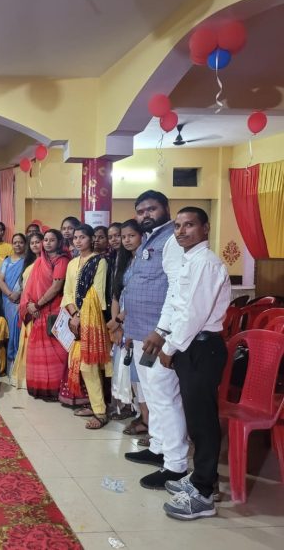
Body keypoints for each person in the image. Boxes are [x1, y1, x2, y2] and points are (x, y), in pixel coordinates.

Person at [158, 207, 230, 520]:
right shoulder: (190, 260)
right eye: (177, 226)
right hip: (191, 345)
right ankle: (204, 477)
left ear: (205, 228)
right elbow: (179, 307)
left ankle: (203, 495)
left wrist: (169, 346)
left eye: (189, 225)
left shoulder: (206, 263)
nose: (181, 231)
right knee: (196, 417)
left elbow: (193, 314)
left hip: (201, 346)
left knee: (202, 421)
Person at [122, 190, 187, 491]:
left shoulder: (171, 240)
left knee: (165, 397)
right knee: (151, 392)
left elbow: (176, 290)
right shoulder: (149, 239)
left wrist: (161, 331)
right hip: (139, 332)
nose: (145, 215)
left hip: (157, 336)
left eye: (151, 209)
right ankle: (158, 447)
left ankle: (175, 464)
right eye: (140, 211)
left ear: (166, 209)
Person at [61, 224, 112, 429]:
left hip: (92, 319)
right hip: (75, 318)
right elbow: (67, 292)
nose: (78, 241)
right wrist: (74, 315)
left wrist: (81, 317)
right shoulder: (72, 263)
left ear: (91, 239)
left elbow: (97, 294)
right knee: (82, 364)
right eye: (75, 237)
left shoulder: (100, 261)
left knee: (89, 365)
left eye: (82, 237)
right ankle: (95, 404)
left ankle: (100, 412)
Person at [108, 219, 149, 435]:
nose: (126, 240)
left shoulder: (147, 261)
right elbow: (117, 295)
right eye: (123, 237)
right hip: (123, 324)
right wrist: (116, 325)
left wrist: (119, 321)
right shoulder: (123, 261)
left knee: (142, 377)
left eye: (131, 236)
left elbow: (139, 298)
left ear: (142, 236)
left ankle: (150, 421)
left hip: (138, 323)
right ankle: (141, 416)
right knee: (131, 374)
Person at [20, 230, 70, 400]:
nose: (47, 243)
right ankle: (42, 387)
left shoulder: (62, 260)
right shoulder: (40, 261)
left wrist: (37, 304)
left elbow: (56, 287)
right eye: (46, 240)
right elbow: (30, 286)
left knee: (56, 350)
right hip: (39, 310)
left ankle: (56, 388)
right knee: (41, 350)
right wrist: (30, 304)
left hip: (55, 309)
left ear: (59, 242)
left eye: (52, 240)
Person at [9, 232, 43, 389]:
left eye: (38, 242)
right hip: (26, 307)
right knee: (26, 341)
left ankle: (37, 379)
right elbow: (24, 287)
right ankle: (25, 378)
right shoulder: (29, 263)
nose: (35, 245)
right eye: (32, 243)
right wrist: (24, 304)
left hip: (39, 307)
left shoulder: (47, 263)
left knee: (37, 345)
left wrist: (36, 305)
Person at [0, 233, 26, 376]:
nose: (17, 245)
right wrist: (10, 294)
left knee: (19, 331)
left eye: (21, 242)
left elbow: (29, 281)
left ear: (25, 244)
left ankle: (19, 369)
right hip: (8, 301)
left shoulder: (28, 261)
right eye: (15, 242)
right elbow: (0, 280)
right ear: (12, 244)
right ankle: (9, 368)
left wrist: (19, 293)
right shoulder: (6, 261)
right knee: (9, 331)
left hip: (21, 300)